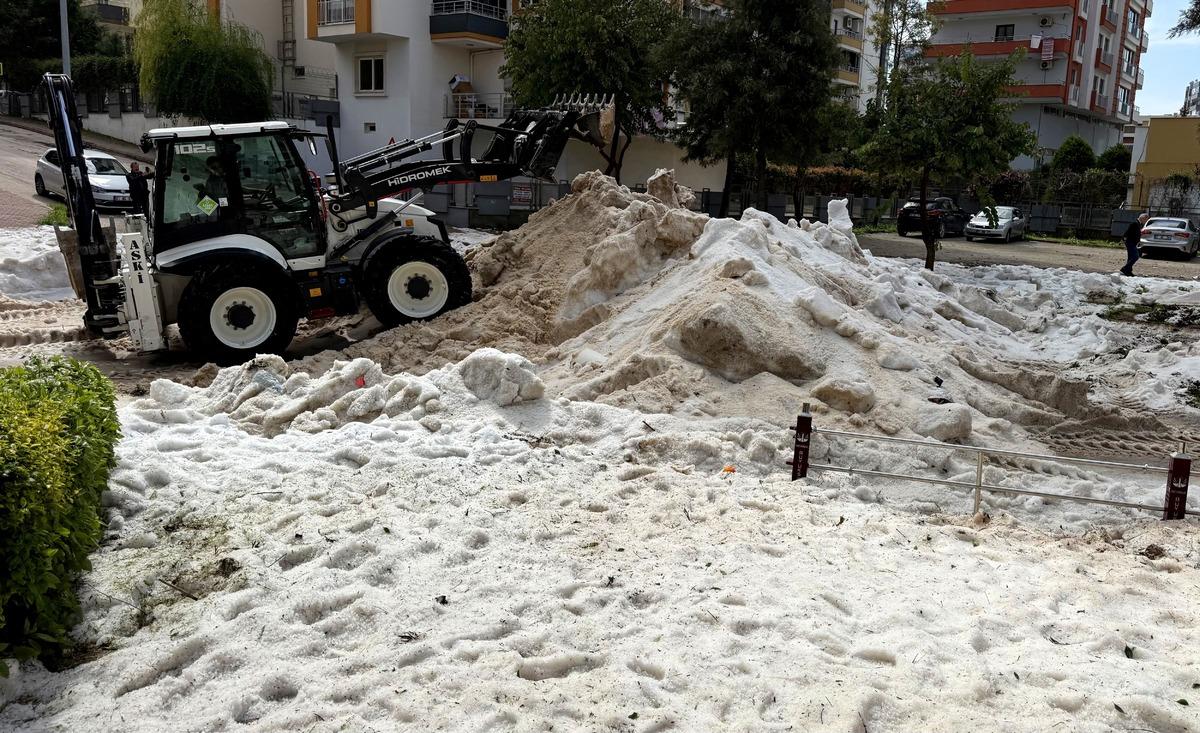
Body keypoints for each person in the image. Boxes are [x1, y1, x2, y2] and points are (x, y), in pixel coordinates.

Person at [1121, 212, 1149, 276]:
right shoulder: (1135, 223)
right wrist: (1124, 239)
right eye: (1146, 220)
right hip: (1130, 242)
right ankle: (1125, 269)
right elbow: (1127, 232)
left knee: (1130, 257)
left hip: (1133, 242)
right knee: (1135, 256)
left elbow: (1135, 233)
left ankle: (1128, 271)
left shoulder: (1138, 224)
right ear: (1143, 218)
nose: (1146, 221)